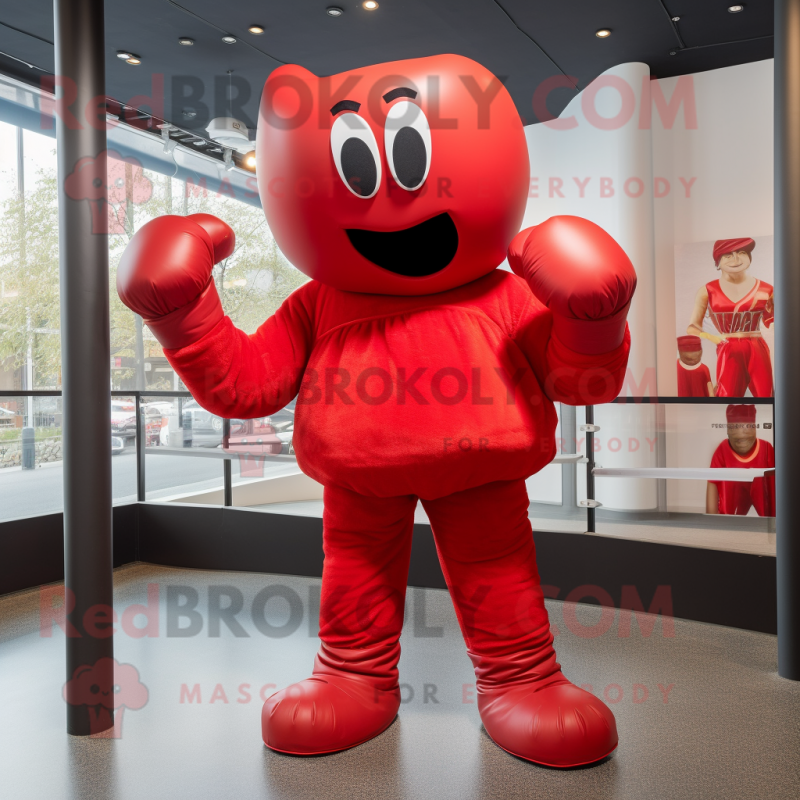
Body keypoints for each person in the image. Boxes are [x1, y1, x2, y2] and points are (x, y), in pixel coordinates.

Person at [117, 55, 635, 768]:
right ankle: (355, 675)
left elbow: (583, 383)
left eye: (412, 156)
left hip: (481, 471)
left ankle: (522, 678)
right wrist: (183, 315)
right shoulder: (319, 302)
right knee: (354, 579)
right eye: (355, 168)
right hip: (358, 483)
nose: (389, 195)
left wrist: (596, 322)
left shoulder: (504, 294)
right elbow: (245, 387)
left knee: (499, 578)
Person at [687, 238, 773, 397]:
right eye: (728, 255)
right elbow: (692, 326)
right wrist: (713, 338)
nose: (736, 259)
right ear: (718, 262)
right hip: (728, 348)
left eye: (742, 253)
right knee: (727, 398)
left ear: (749, 257)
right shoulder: (707, 290)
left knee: (766, 396)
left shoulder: (767, 289)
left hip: (757, 346)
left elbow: (774, 322)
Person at [707, 404, 775, 515]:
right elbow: (712, 482)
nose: (742, 432)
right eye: (736, 427)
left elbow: (775, 485)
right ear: (728, 430)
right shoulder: (722, 450)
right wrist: (711, 520)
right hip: (732, 499)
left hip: (763, 500)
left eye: (747, 426)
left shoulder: (766, 448)